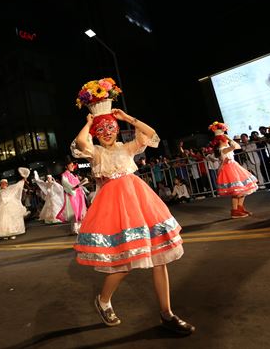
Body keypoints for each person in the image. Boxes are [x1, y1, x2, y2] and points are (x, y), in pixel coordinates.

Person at [71, 77, 195, 335]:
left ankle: (167, 313)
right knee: (125, 262)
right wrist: (90, 122)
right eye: (102, 130)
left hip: (141, 204)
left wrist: (128, 118)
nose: (107, 133)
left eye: (111, 128)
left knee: (159, 258)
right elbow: (81, 143)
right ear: (96, 133)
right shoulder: (96, 152)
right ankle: (103, 300)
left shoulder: (127, 148)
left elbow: (150, 135)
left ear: (117, 129)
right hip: (115, 210)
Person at [209, 122, 259, 218]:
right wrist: (229, 138)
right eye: (224, 140)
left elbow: (238, 147)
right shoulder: (223, 149)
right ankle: (235, 210)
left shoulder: (225, 148)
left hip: (233, 168)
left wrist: (226, 138)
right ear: (221, 141)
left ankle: (240, 208)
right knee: (236, 191)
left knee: (243, 190)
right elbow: (236, 146)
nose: (226, 141)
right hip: (229, 169)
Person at [55, 157, 88, 234]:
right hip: (72, 196)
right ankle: (74, 229)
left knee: (80, 211)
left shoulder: (74, 175)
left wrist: (82, 183)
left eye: (73, 164)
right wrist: (78, 185)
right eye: (71, 164)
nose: (73, 166)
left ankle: (80, 228)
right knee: (74, 212)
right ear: (66, 166)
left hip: (78, 195)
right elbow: (67, 186)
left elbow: (78, 186)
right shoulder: (64, 175)